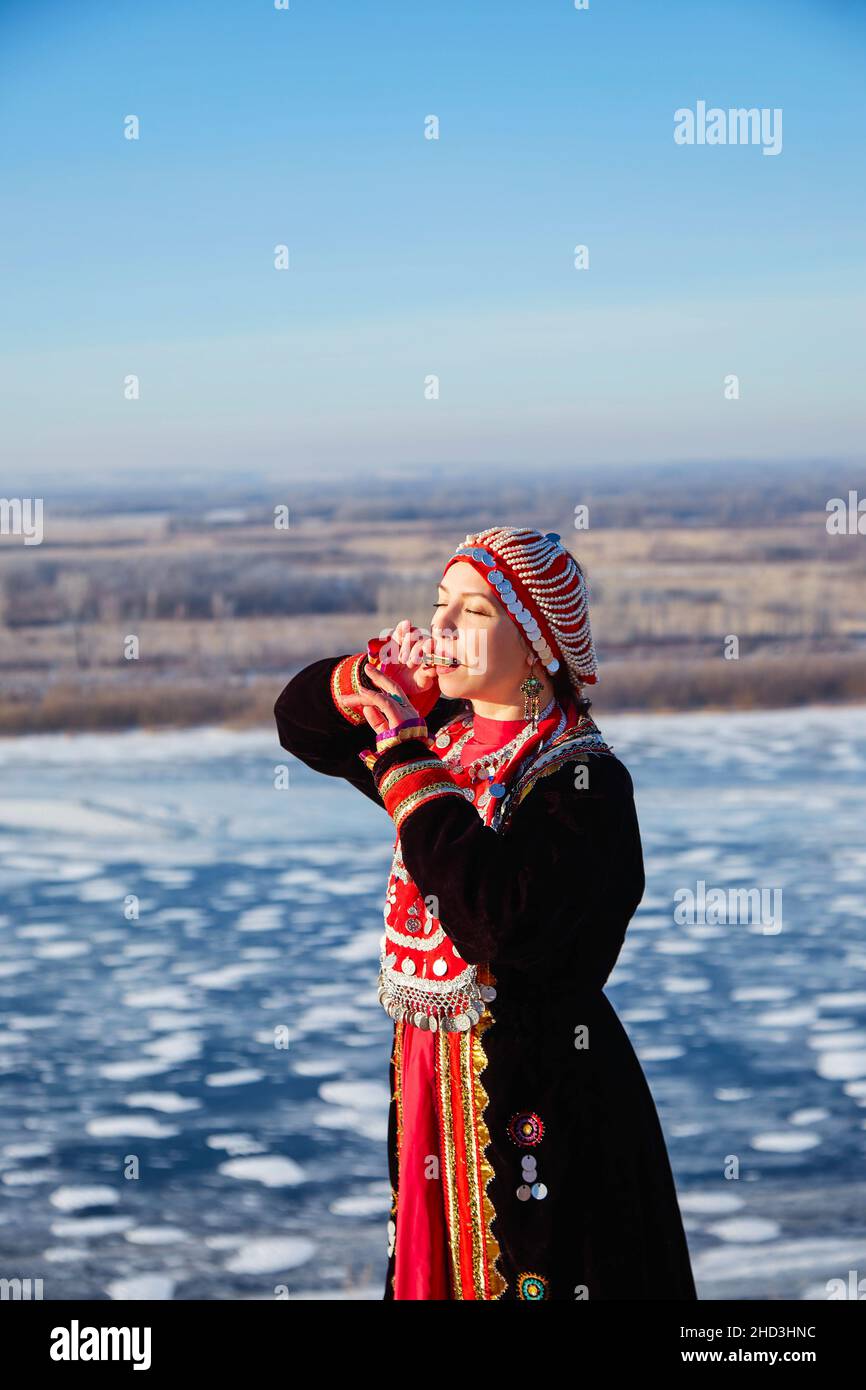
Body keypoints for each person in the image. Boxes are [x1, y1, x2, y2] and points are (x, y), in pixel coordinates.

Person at [273, 525, 698, 1301]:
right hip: (432, 1084)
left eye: (473, 611)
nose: (443, 629)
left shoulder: (584, 788)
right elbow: (299, 723)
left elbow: (492, 919)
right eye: (440, 607)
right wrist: (370, 680)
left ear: (537, 643)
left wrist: (405, 754)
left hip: (547, 1099)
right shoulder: (451, 747)